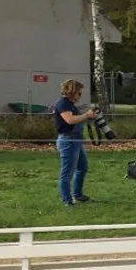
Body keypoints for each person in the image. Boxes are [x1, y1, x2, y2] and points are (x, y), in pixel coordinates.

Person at [50, 79, 98, 207]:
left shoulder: (70, 105)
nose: (80, 96)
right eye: (79, 93)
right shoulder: (63, 104)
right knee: (67, 173)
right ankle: (67, 201)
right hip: (68, 141)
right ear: (71, 91)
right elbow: (70, 120)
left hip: (76, 140)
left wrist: (87, 116)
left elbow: (75, 118)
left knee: (82, 168)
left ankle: (78, 195)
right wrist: (86, 116)